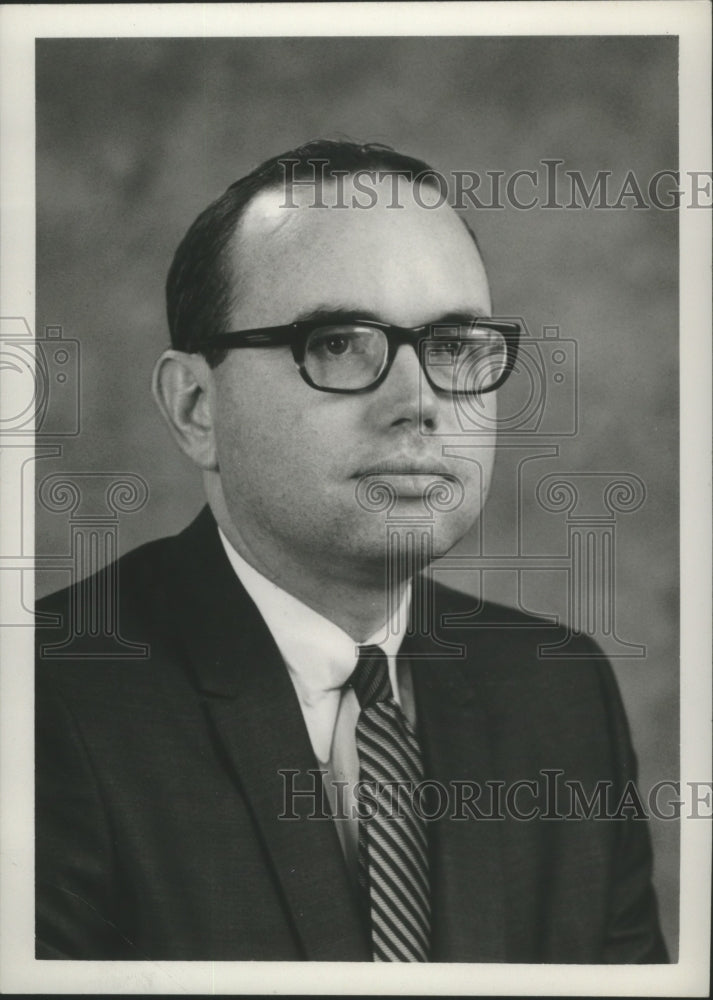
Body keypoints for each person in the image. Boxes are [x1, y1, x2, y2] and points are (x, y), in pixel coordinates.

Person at [35, 139, 667, 962]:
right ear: (195, 406)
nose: (419, 403)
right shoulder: (44, 703)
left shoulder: (557, 693)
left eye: (454, 345)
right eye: (337, 342)